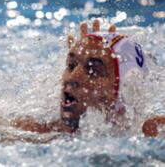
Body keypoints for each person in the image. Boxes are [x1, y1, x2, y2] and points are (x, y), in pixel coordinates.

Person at [9, 19, 150, 135]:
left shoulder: (149, 134)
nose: (72, 78)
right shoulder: (32, 133)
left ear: (125, 89)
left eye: (93, 70)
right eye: (71, 65)